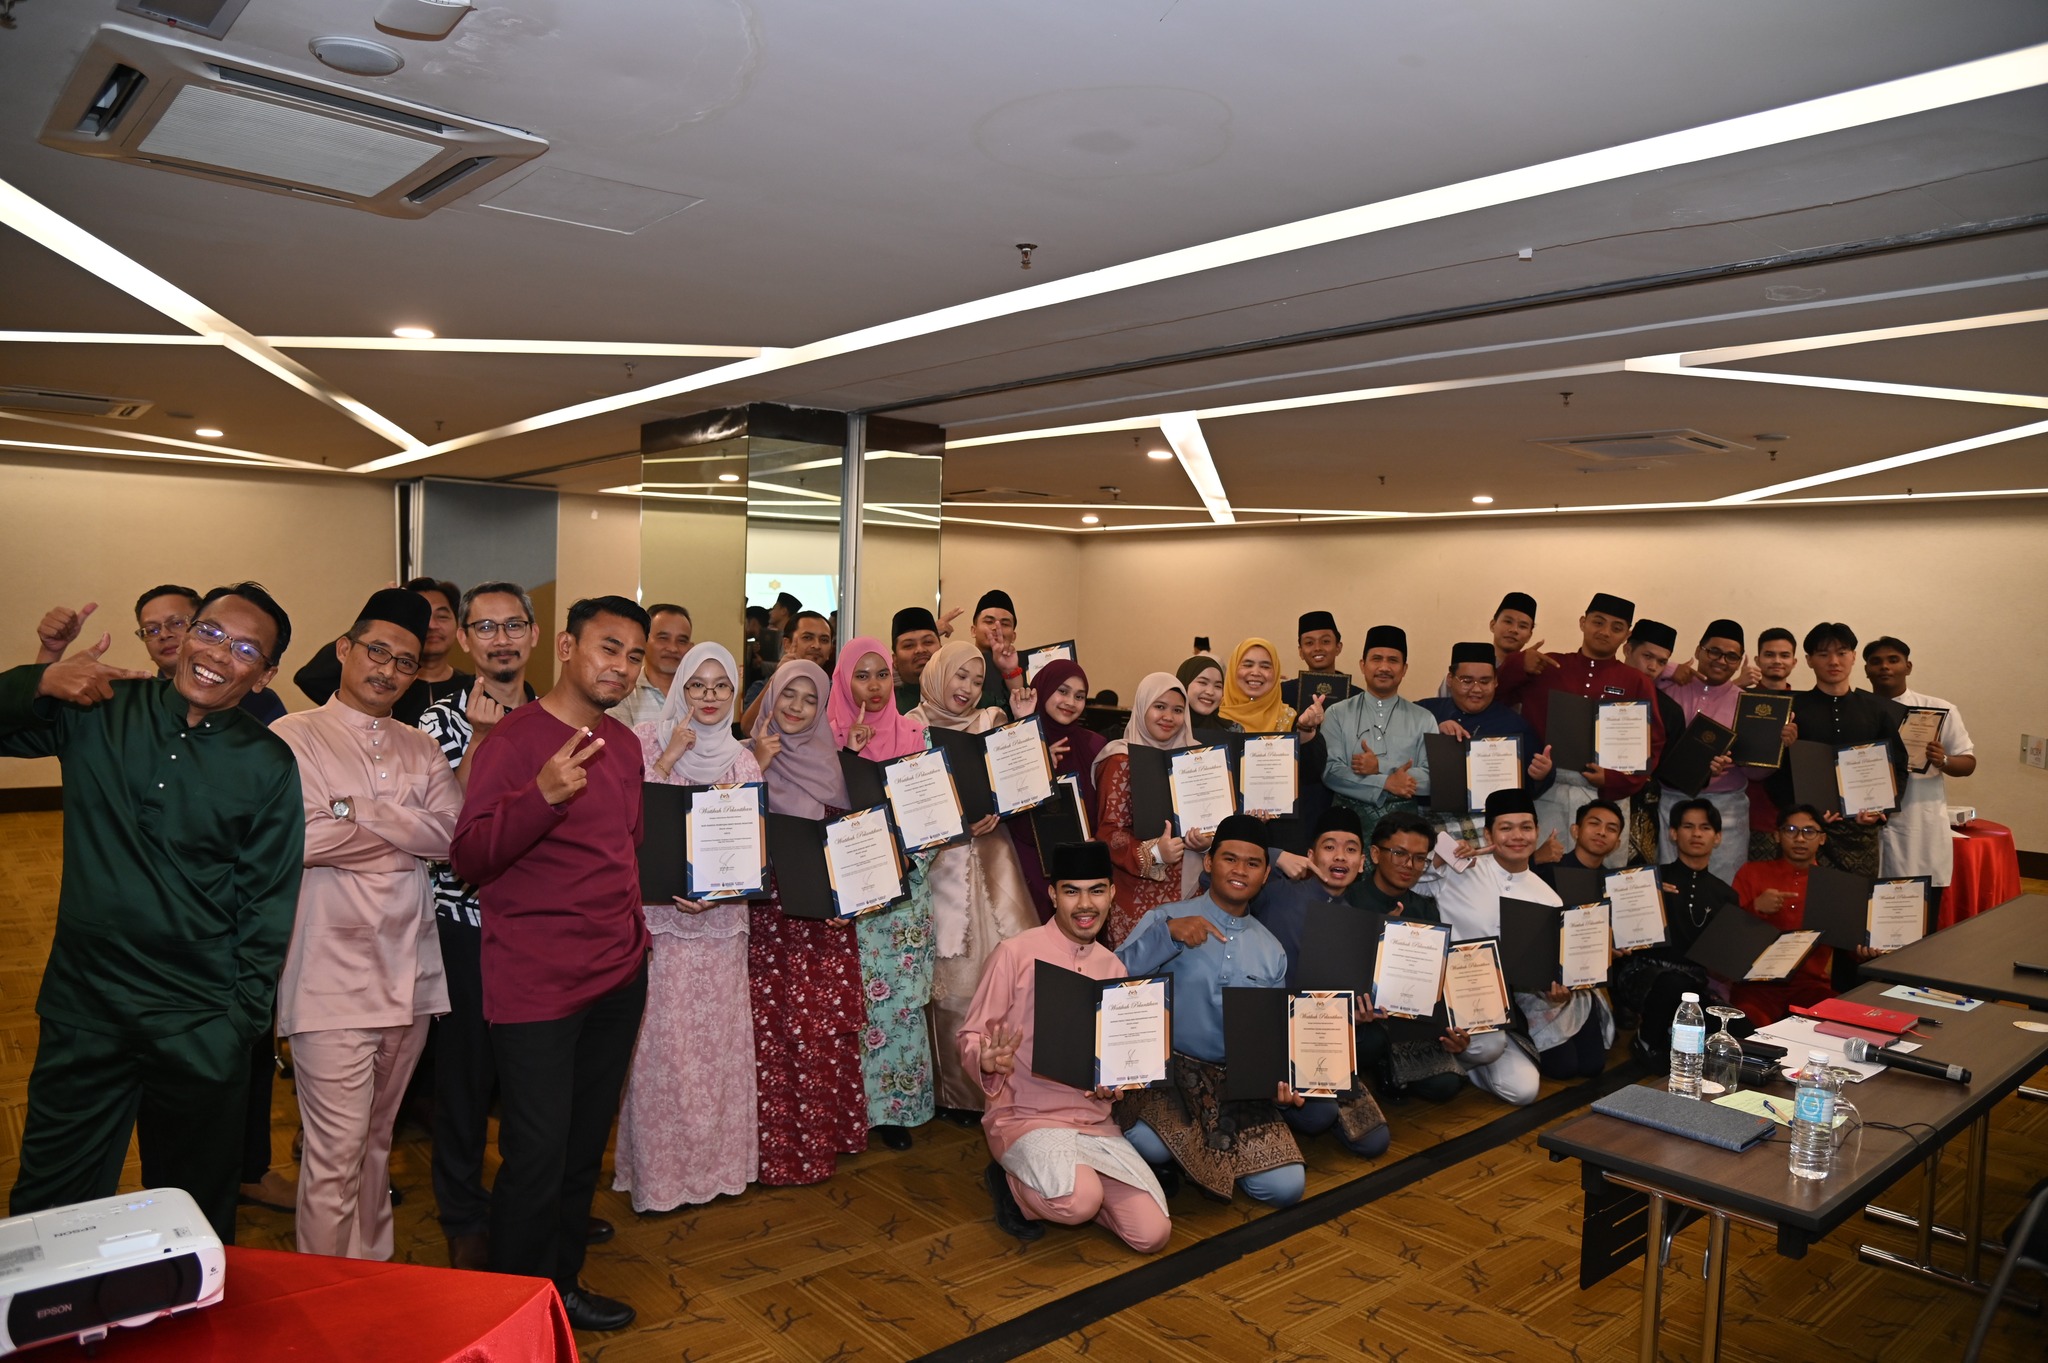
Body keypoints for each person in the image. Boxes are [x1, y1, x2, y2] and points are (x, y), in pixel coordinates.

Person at [2, 582, 302, 1243]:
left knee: (191, 1220)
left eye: (245, 649)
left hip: (197, 1023)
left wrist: (235, 1027)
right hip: (87, 1010)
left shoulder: (269, 764)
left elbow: (268, 905)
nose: (219, 654)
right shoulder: (102, 707)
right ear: (186, 635)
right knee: (49, 1212)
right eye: (211, 632)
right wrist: (42, 676)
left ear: (265, 675)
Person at [448, 595, 651, 1332]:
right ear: (565, 647)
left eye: (634, 655)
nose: (621, 666)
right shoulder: (515, 742)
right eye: (608, 647)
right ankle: (513, 1313)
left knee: (580, 1148)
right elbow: (469, 857)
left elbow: (624, 849)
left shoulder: (623, 744)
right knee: (534, 1154)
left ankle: (559, 1288)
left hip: (617, 975)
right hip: (536, 985)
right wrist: (540, 797)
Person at [272, 589, 460, 1260]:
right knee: (334, 1156)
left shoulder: (420, 746)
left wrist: (358, 810)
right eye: (376, 651)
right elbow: (299, 838)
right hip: (329, 976)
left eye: (405, 662)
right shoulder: (293, 736)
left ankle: (372, 1277)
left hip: (410, 974)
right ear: (345, 649)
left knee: (378, 1143)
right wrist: (406, 834)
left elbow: (452, 837)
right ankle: (325, 1296)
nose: (387, 669)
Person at [415, 581, 543, 1270]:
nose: (501, 639)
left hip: (538, 925)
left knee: (533, 1079)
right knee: (464, 1078)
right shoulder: (438, 723)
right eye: (485, 627)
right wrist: (484, 744)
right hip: (466, 923)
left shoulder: (555, 717)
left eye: (513, 625)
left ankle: (530, 1203)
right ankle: (463, 1213)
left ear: (534, 634)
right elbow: (446, 831)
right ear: (464, 639)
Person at [958, 841, 1172, 1250]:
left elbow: (1115, 1057)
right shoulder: (1014, 954)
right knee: (1077, 1202)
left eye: (1096, 891)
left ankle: (1082, 1192)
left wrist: (1116, 1083)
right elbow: (971, 1034)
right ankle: (1011, 1185)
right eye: (1072, 891)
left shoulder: (1113, 967)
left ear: (1111, 893)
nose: (1085, 904)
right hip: (1025, 1116)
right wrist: (984, 1059)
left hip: (1093, 1122)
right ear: (1053, 894)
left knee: (1152, 1235)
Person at [612, 642, 761, 1212]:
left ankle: (718, 1172)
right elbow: (626, 819)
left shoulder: (743, 761)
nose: (708, 697)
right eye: (697, 685)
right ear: (680, 689)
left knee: (716, 1054)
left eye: (721, 686)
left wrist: (717, 896)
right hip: (661, 926)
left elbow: (748, 851)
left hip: (720, 929)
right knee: (661, 1053)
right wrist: (668, 759)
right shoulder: (646, 742)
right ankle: (660, 1181)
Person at [1114, 816, 1309, 1206]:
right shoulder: (1166, 918)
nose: (1240, 871)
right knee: (1147, 1141)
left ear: (1265, 875)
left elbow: (1270, 1035)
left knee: (1286, 1187)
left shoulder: (1271, 950)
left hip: (1235, 1082)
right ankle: (1192, 1155)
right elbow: (1114, 979)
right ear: (1209, 862)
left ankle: (1197, 1156)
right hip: (1168, 1073)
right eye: (1229, 859)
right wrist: (1166, 936)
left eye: (1252, 863)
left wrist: (1282, 1082)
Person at [747, 657, 870, 1183]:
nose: (796, 707)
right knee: (766, 1034)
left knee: (817, 1033)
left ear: (823, 708)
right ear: (770, 696)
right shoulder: (740, 760)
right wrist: (754, 767)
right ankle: (763, 1152)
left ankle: (818, 1144)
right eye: (787, 694)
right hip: (762, 929)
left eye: (810, 699)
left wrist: (852, 902)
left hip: (822, 931)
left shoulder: (837, 767)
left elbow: (858, 850)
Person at [918, 640, 1040, 1116]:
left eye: (976, 679)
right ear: (937, 674)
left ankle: (1014, 1083)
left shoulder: (992, 719)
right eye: (959, 676)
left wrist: (1023, 723)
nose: (967, 688)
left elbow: (1025, 780)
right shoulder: (911, 726)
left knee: (1008, 967)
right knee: (952, 972)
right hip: (939, 864)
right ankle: (956, 1094)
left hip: (993, 859)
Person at [828, 639, 936, 1149]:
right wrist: (846, 752)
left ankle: (894, 1111)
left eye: (882, 675)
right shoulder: (824, 740)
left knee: (900, 1005)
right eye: (861, 675)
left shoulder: (915, 735)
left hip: (902, 895)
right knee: (853, 1004)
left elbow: (932, 813)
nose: (873, 686)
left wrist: (908, 860)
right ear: (843, 680)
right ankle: (850, 1113)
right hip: (847, 898)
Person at [1247, 806, 1392, 1160]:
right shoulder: (1276, 890)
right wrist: (1276, 857)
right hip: (1267, 1031)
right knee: (1318, 1117)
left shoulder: (1357, 923)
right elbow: (1216, 874)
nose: (1340, 856)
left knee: (1376, 1142)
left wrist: (1357, 1017)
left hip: (1320, 1040)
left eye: (1351, 849)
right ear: (1310, 856)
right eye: (1329, 847)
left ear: (1362, 863)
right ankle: (1269, 1099)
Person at [1431, 790, 1591, 1103]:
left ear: (1537, 832)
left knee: (1524, 1091)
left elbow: (1540, 968)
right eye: (1506, 828)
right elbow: (1415, 874)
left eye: (1526, 827)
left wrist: (1553, 993)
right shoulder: (1461, 868)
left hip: (1499, 1005)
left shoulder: (1549, 900)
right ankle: (1464, 1053)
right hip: (1446, 989)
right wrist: (1448, 853)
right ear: (1488, 834)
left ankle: (1464, 1063)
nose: (1517, 836)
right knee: (1490, 1045)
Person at [1495, 593, 1667, 865]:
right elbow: (1496, 700)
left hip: (1605, 797)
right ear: (1582, 622)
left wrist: (1614, 780)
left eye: (1616, 628)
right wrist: (1518, 664)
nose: (1605, 632)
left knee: (1598, 881)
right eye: (1598, 622)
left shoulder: (1636, 681)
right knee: (1543, 872)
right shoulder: (1547, 666)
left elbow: (1652, 742)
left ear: (1627, 636)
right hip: (1546, 790)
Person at [1349, 811, 1482, 1103]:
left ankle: (1392, 1069)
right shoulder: (1350, 900)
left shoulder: (1425, 908)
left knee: (1445, 1086)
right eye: (1399, 853)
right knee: (1369, 1043)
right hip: (1362, 1016)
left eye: (1420, 858)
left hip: (1409, 1019)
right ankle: (1381, 1068)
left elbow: (1435, 979)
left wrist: (1453, 1024)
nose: (1409, 865)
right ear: (1375, 854)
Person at [37, 586, 288, 725]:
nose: (164, 635)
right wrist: (51, 652)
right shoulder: (119, 701)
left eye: (176, 623)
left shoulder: (261, 704)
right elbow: (32, 726)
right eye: (152, 630)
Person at [1771, 623, 1902, 878]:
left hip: (1861, 833)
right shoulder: (1792, 709)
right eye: (1823, 654)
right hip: (1805, 834)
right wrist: (1803, 815)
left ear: (1853, 656)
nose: (1833, 661)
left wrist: (1880, 809)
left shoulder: (1875, 710)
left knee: (1857, 899)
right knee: (1803, 899)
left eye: (1842, 653)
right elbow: (1775, 772)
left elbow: (1898, 765)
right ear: (1809, 660)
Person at [1093, 672, 1207, 945]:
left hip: (1191, 892)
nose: (1169, 717)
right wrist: (1155, 853)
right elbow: (1109, 833)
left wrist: (1206, 843)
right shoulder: (1120, 759)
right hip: (1137, 895)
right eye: (1159, 706)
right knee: (1139, 967)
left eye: (1177, 710)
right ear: (1142, 706)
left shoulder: (1198, 758)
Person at [1864, 636, 1975, 912]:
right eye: (1876, 662)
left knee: (1920, 917)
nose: (1885, 667)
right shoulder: (1855, 711)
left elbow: (1968, 763)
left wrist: (1943, 760)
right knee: (1867, 915)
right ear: (1866, 670)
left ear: (1908, 666)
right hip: (1867, 829)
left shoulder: (1939, 709)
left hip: (1919, 827)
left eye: (1893, 660)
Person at [1623, 798, 1737, 1068]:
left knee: (1738, 1030)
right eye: (1688, 826)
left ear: (1717, 837)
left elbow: (1723, 958)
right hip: (1645, 973)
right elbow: (1623, 931)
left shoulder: (1726, 895)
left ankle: (1669, 1036)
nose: (1696, 834)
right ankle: (1646, 1041)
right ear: (1673, 833)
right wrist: (1648, 895)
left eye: (1705, 828)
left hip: (1695, 983)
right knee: (1674, 985)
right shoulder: (1649, 879)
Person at [1417, 641, 1555, 853]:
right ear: (1450, 680)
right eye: (1467, 681)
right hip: (1425, 821)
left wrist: (1542, 774)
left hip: (1486, 827)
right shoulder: (1424, 713)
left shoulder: (1514, 725)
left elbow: (1529, 787)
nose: (1476, 689)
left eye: (1485, 681)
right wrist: (1432, 729)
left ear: (1496, 682)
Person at [1727, 805, 1855, 1025]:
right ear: (1777, 836)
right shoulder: (1751, 873)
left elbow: (1852, 945)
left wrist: (1868, 950)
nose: (1800, 839)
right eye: (1791, 830)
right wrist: (1755, 908)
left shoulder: (1835, 885)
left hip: (1810, 987)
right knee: (1747, 1024)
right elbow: (1728, 941)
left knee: (1842, 1021)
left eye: (1809, 831)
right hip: (1757, 985)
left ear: (1822, 839)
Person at [294, 577, 471, 724]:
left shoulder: (470, 688)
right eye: (421, 619)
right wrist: (376, 619)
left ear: (458, 626)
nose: (431, 625)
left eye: (442, 616)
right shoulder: (383, 684)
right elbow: (311, 678)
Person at [1008, 658, 1108, 917]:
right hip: (1025, 866)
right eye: (1062, 691)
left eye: (1079, 696)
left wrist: (1098, 841)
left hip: (1080, 868)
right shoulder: (1015, 742)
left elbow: (1105, 810)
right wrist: (1034, 758)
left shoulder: (1095, 746)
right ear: (1043, 690)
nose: (1070, 702)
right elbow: (1010, 811)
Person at [1653, 620, 1750, 882]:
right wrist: (1672, 668)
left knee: (1723, 886)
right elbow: (1638, 671)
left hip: (1725, 806)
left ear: (1739, 662)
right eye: (1713, 652)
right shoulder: (1668, 688)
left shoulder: (1746, 704)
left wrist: (1776, 744)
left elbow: (1757, 773)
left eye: (1731, 656)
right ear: (1698, 651)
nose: (1721, 661)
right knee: (1671, 884)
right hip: (1672, 800)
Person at [1321, 626, 1433, 831]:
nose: (1384, 667)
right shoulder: (1337, 713)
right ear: (1363, 665)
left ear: (1404, 669)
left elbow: (1432, 777)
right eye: (1376, 659)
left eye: (1393, 660)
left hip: (1405, 828)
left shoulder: (1423, 719)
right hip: (1348, 825)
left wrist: (1380, 766)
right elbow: (1330, 771)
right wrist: (1386, 783)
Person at [1619, 619, 1689, 865]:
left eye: (1661, 662)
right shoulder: (1602, 689)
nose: (1652, 667)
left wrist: (1704, 768)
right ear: (1628, 649)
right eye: (1647, 656)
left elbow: (1672, 772)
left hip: (1642, 810)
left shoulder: (1669, 710)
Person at [1743, 626, 1800, 862]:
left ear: (1794, 662)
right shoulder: (1741, 699)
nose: (1777, 661)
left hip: (1796, 819)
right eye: (1769, 654)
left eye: (1784, 655)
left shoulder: (1805, 703)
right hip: (1753, 813)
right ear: (1758, 660)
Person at [1435, 592, 1538, 700]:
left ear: (1529, 635)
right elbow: (1441, 705)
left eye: (1522, 626)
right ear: (1492, 625)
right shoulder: (1467, 663)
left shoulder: (1532, 672)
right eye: (1508, 622)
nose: (1514, 630)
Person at [1536, 798, 1644, 894]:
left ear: (1617, 844)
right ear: (1575, 831)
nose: (1602, 832)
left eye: (1611, 829)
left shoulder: (1614, 884)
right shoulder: (1548, 870)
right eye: (1594, 823)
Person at [610, 603, 690, 729]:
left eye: (682, 641)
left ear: (691, 647)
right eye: (663, 638)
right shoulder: (623, 692)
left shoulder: (702, 693)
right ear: (643, 641)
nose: (673, 648)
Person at [1278, 610, 1344, 712]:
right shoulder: (1283, 693)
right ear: (1301, 652)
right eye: (1309, 643)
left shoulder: (1356, 697)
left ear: (1338, 648)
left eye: (1325, 641)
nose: (1317, 648)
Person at [969, 590, 1025, 710]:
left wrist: (1011, 671)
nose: (996, 627)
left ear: (1013, 636)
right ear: (973, 631)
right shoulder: (958, 663)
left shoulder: (1025, 669)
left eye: (1005, 624)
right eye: (989, 622)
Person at [890, 606, 943, 714]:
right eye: (908, 645)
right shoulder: (885, 707)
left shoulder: (966, 697)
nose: (920, 650)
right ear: (895, 660)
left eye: (928, 642)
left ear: (942, 650)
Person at [1177, 654, 1234, 732]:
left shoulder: (1232, 731)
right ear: (1184, 684)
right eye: (1202, 682)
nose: (1210, 692)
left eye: (1218, 686)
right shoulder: (1166, 727)